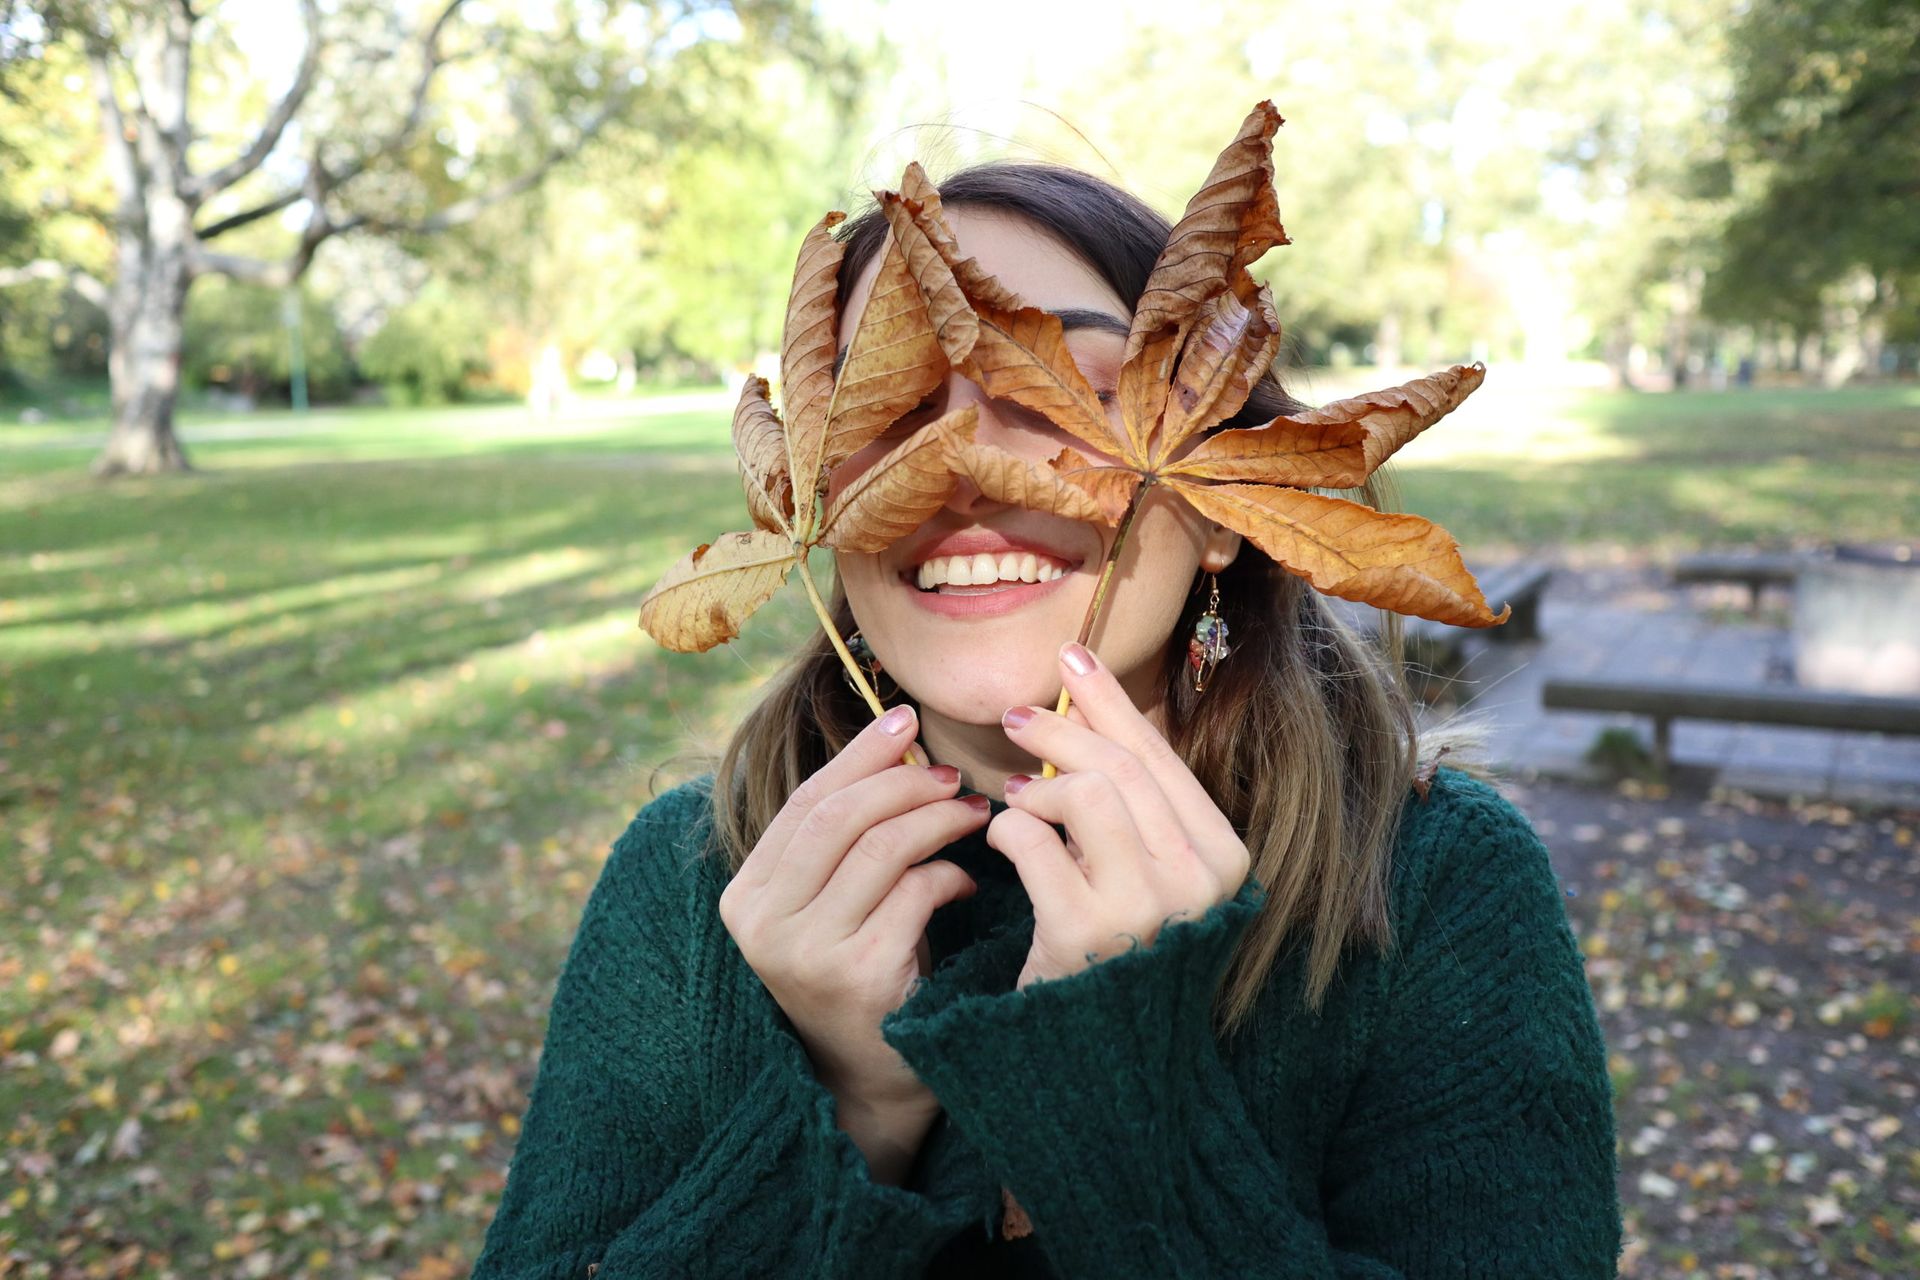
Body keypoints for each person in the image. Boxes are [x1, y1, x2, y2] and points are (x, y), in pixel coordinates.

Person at [470, 162, 1623, 1279]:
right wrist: (855, 1097)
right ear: (819, 499)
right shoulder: (686, 879)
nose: (963, 465)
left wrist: (1112, 1091)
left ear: (1228, 509)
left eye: (1055, 389)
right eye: (899, 403)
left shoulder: (1436, 884)